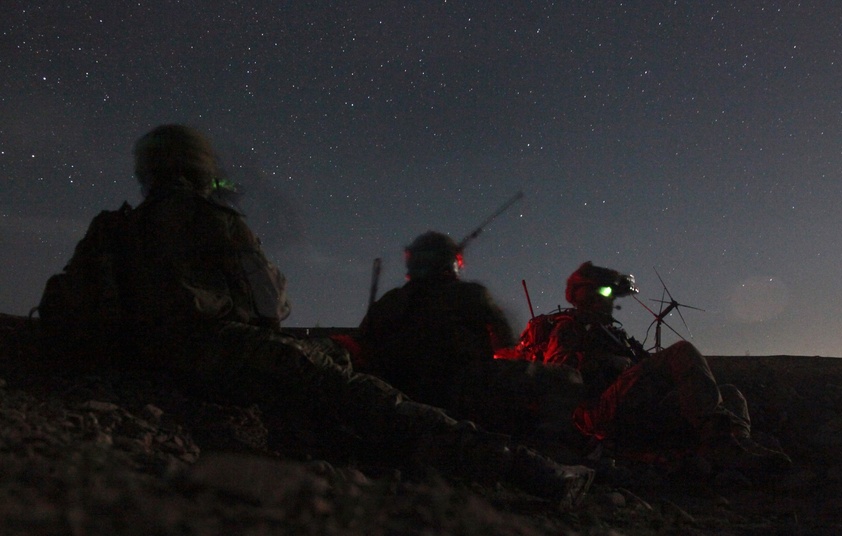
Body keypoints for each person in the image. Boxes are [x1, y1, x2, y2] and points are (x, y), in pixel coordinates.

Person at [34, 124, 594, 507]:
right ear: (200, 168)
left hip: (131, 358)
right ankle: (528, 472)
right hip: (213, 351)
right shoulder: (217, 221)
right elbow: (271, 308)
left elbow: (68, 304)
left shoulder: (112, 227)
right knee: (367, 400)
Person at [512, 261, 792, 474]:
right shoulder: (569, 327)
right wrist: (609, 365)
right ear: (586, 294)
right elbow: (560, 377)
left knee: (729, 393)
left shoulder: (615, 335)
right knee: (682, 351)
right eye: (606, 292)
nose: (610, 300)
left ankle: (736, 446)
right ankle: (718, 448)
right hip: (596, 413)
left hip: (634, 407)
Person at [357, 231, 516, 412]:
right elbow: (506, 343)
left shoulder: (390, 301)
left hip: (398, 403)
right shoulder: (472, 294)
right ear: (451, 261)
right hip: (465, 401)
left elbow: (363, 346)